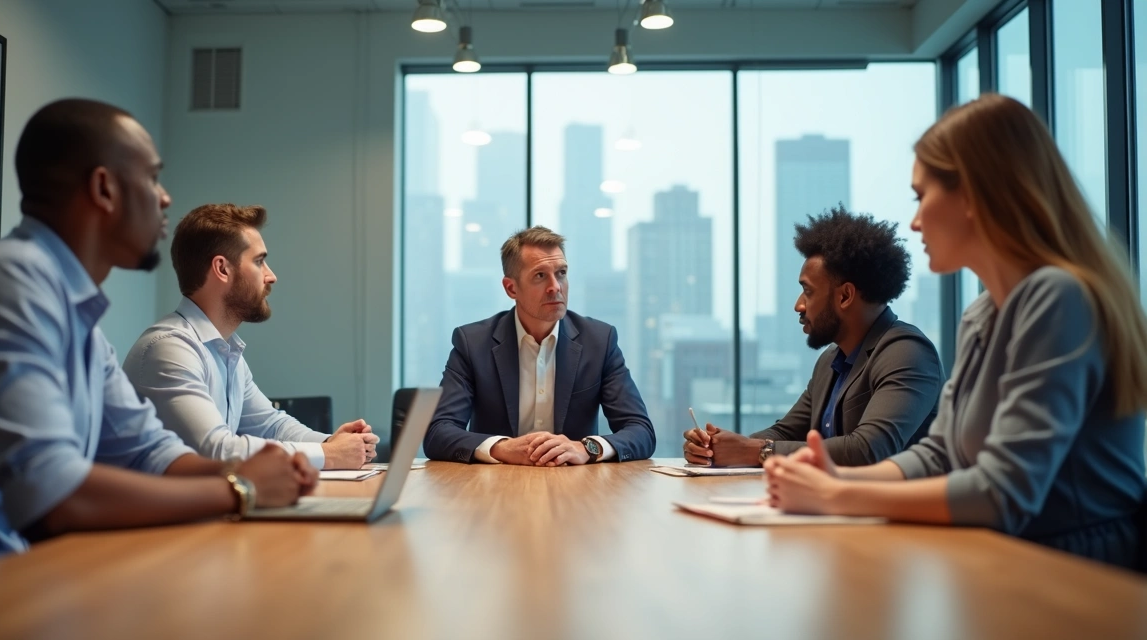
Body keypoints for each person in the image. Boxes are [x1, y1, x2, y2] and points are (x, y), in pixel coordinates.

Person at [765, 94, 1147, 570]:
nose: (915, 220)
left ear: (974, 195)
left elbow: (1003, 491)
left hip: (1075, 571)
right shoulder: (983, 313)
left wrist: (840, 495)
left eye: (922, 196)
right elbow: (940, 454)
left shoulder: (1057, 296)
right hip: (1005, 556)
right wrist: (837, 482)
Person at [0, 99, 315, 570]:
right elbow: (53, 494)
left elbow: (148, 451)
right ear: (104, 188)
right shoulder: (6, 282)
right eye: (152, 178)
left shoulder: (76, 316)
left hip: (13, 576)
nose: (165, 198)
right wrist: (240, 489)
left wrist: (249, 470)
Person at [683, 206, 943, 467]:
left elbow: (868, 448)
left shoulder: (907, 352)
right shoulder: (831, 361)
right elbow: (785, 433)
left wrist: (755, 451)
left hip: (891, 508)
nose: (799, 305)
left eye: (807, 291)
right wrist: (716, 446)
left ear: (845, 296)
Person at [124, 203, 378, 470]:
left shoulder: (224, 350)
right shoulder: (169, 348)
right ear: (222, 269)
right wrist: (330, 455)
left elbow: (271, 425)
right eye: (259, 261)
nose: (271, 276)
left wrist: (331, 444)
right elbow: (216, 450)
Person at [423, 226, 655, 465]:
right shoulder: (472, 343)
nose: (555, 286)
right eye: (540, 276)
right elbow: (438, 432)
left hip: (576, 485)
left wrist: (587, 448)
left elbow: (640, 431)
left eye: (561, 273)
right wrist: (503, 448)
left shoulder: (599, 340)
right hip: (495, 485)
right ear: (511, 288)